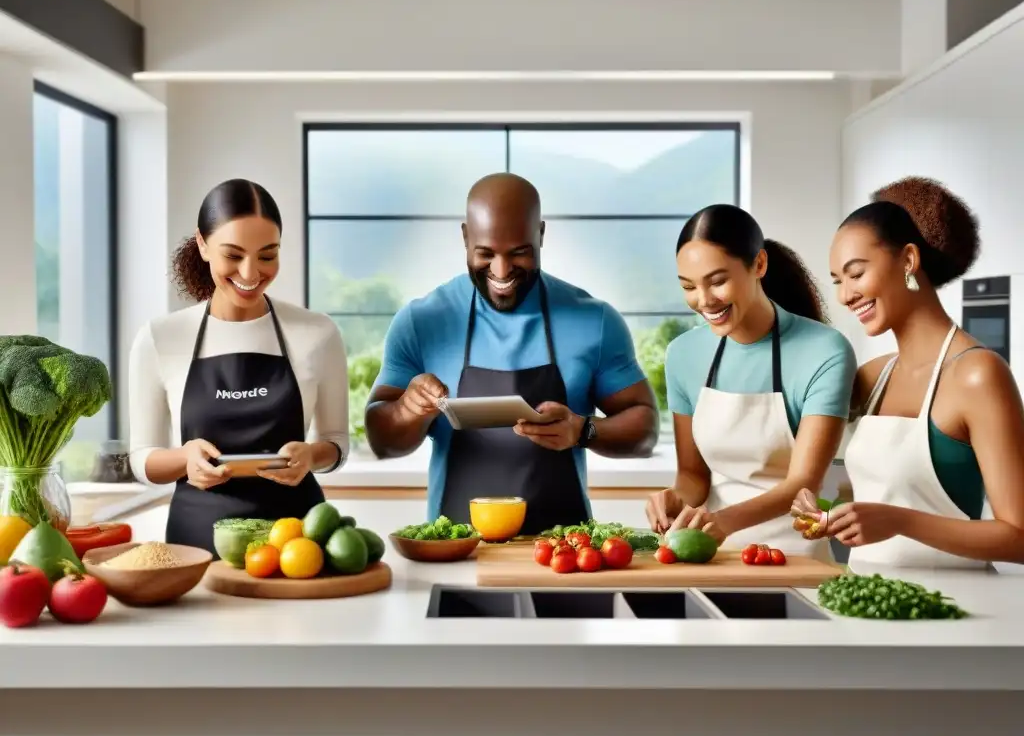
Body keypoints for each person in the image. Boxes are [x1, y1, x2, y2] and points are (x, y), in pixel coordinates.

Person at [364, 172, 659, 535]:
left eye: (519, 253)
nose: (501, 272)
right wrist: (407, 411)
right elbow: (382, 442)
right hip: (456, 550)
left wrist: (584, 431)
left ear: (541, 235)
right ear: (464, 237)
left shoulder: (594, 320)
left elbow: (645, 429)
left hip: (566, 555)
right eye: (485, 254)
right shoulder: (421, 321)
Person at [792, 177, 1024, 568]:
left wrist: (900, 521)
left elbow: (1018, 537)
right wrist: (821, 506)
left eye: (856, 273)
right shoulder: (871, 377)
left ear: (909, 260)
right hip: (864, 597)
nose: (845, 295)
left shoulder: (977, 374)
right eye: (837, 281)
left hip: (956, 611)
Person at [128, 178, 349, 555]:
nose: (250, 274)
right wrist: (185, 458)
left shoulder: (318, 333)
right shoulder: (160, 337)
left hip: (297, 544)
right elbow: (141, 458)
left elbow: (337, 443)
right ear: (202, 245)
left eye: (267, 255)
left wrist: (311, 455)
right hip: (196, 545)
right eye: (233, 255)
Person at [645, 204, 857, 560]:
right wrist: (674, 497)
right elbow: (693, 476)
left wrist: (724, 522)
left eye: (717, 281)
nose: (704, 301)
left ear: (759, 265)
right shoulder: (683, 354)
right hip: (709, 554)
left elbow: (803, 483)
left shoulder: (824, 351)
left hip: (793, 557)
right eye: (689, 287)